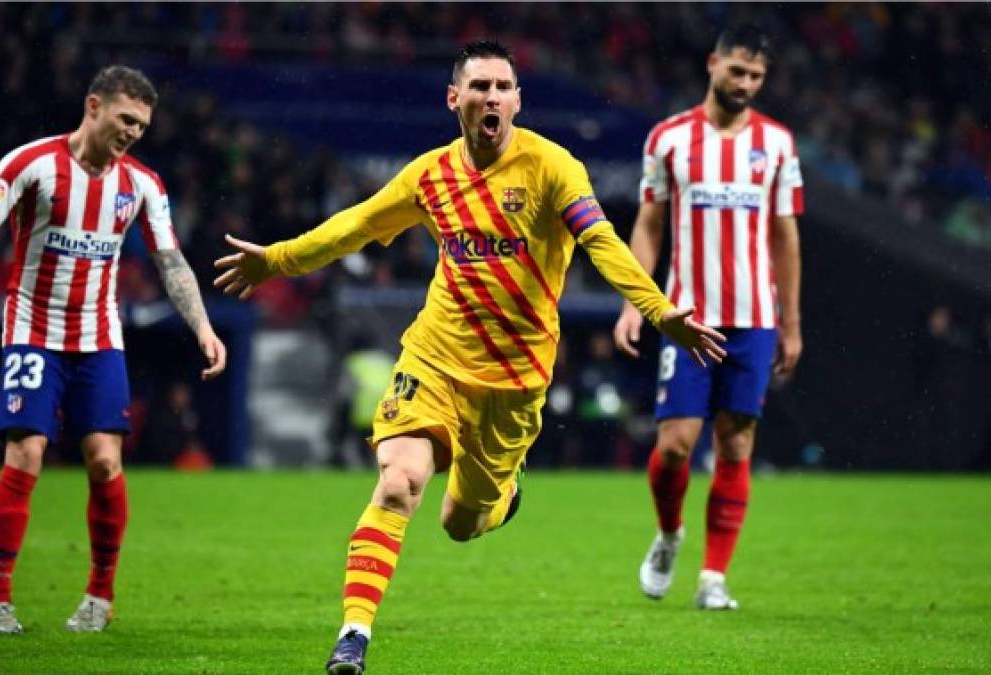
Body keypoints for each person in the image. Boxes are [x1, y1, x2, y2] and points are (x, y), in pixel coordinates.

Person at [214, 40, 726, 674]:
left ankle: (500, 494)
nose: (492, 97)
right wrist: (278, 260)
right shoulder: (429, 174)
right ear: (454, 98)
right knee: (399, 482)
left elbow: (601, 241)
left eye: (503, 86)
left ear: (517, 100)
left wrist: (656, 309)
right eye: (479, 86)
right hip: (434, 357)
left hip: (514, 383)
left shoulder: (552, 166)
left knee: (460, 522)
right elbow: (355, 225)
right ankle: (354, 635)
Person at [0, 66, 227, 634]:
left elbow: (171, 264)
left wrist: (204, 328)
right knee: (27, 453)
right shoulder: (30, 163)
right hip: (32, 330)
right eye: (126, 118)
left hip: (98, 337)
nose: (134, 131)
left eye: (142, 124)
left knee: (106, 460)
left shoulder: (142, 185)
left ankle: (99, 598)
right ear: (94, 106)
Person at [612, 25, 803, 610]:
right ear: (713, 64)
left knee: (735, 443)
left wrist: (791, 324)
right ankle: (670, 535)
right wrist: (634, 301)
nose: (745, 84)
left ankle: (713, 577)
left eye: (756, 77)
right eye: (737, 72)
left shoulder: (777, 143)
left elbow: (785, 236)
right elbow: (649, 225)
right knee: (675, 444)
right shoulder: (668, 139)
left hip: (754, 315)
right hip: (686, 316)